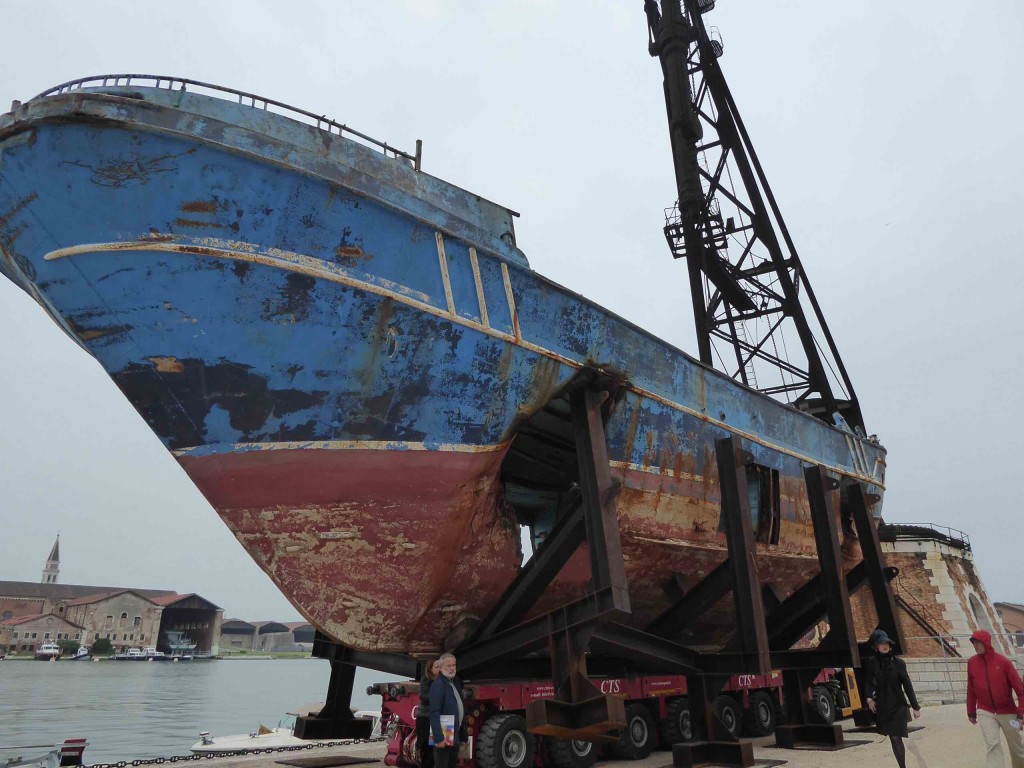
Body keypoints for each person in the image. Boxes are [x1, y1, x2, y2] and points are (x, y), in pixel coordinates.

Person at [966, 628, 1024, 768]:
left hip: (1008, 711)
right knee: (992, 745)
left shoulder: (1004, 662)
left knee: (1016, 747)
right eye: (973, 643)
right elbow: (971, 689)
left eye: (978, 643)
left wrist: (1020, 714)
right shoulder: (972, 662)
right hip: (985, 710)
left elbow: (1020, 690)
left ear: (986, 642)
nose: (975, 646)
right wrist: (971, 711)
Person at [864, 628, 921, 768]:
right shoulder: (872, 662)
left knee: (896, 736)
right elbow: (868, 682)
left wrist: (915, 707)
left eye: (886, 643)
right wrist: (869, 698)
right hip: (883, 706)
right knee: (892, 737)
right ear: (876, 647)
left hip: (899, 705)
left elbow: (907, 685)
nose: (885, 645)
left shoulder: (899, 663)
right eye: (881, 643)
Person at [429, 653, 464, 768]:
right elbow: (434, 713)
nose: (452, 668)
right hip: (444, 732)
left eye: (454, 665)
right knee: (442, 765)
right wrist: (438, 738)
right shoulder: (438, 685)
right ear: (441, 667)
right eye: (449, 666)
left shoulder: (455, 682)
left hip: (454, 732)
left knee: (452, 765)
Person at [416, 658, 441, 768]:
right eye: (437, 667)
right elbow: (423, 696)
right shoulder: (426, 680)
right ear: (430, 669)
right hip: (427, 718)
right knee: (427, 749)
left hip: (444, 717)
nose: (440, 669)